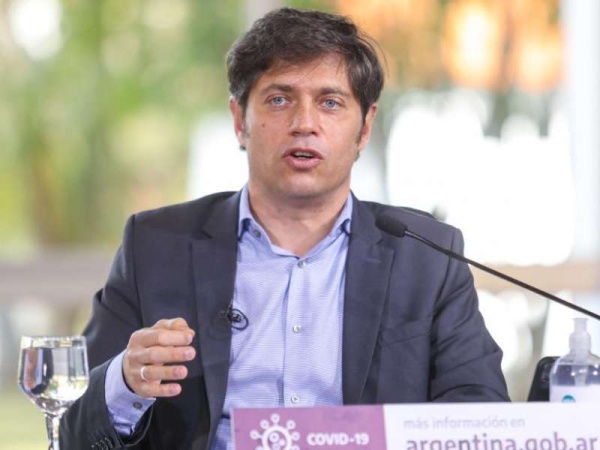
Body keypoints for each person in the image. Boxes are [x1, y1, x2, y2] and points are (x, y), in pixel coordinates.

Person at [60, 7, 509, 450]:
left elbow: (480, 412)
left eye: (330, 103)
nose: (304, 124)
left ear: (365, 128)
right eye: (279, 99)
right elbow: (71, 428)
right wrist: (125, 381)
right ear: (240, 121)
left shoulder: (427, 255)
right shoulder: (157, 246)